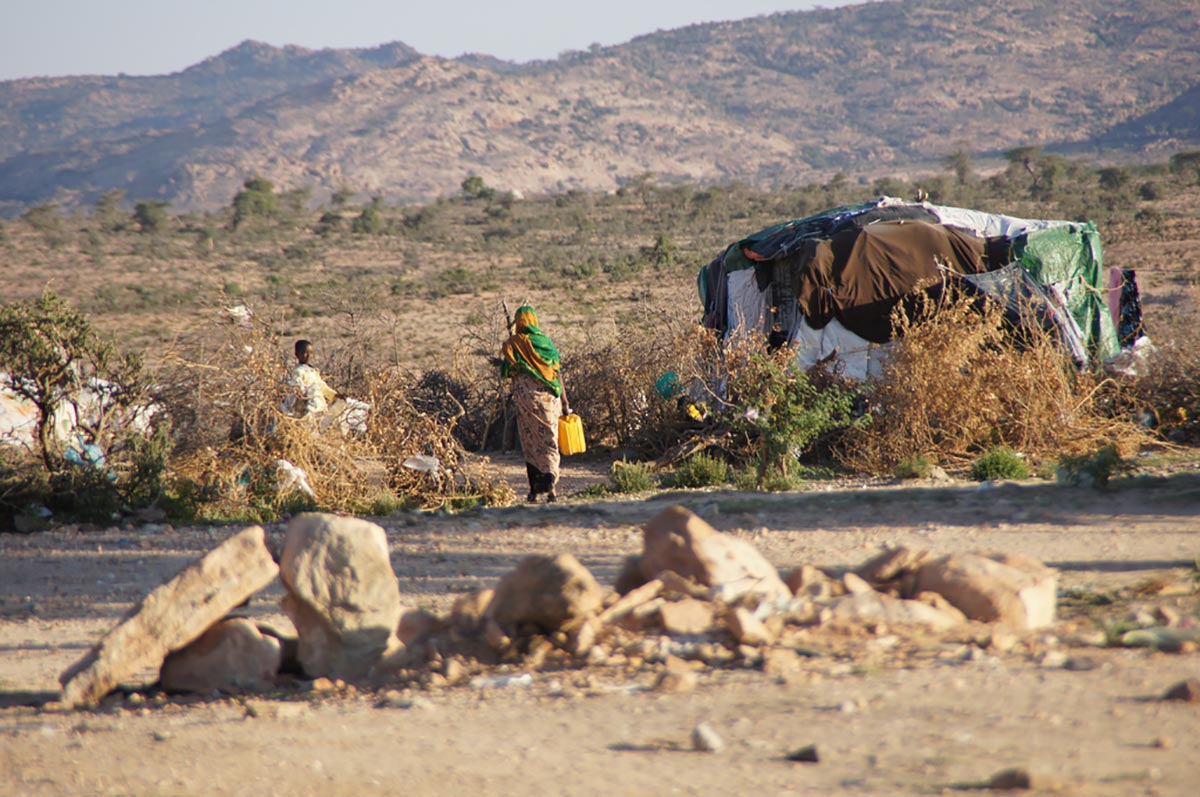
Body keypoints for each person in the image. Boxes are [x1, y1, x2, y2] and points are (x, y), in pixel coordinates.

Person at [500, 305, 570, 503]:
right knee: (549, 440)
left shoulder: (513, 344)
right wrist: (565, 402)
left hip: (526, 402)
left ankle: (534, 490)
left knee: (531, 443)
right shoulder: (545, 343)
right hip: (549, 402)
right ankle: (550, 487)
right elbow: (557, 374)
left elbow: (507, 370)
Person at [290, 339, 341, 417]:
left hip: (319, 408)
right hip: (308, 411)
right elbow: (298, 393)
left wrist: (336, 396)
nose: (308, 355)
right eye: (304, 352)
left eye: (310, 353)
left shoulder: (313, 371)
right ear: (297, 354)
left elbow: (323, 388)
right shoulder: (298, 372)